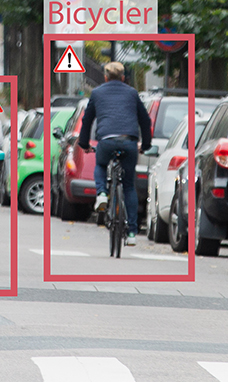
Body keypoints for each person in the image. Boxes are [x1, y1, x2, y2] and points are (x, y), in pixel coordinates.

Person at [77, 62, 152, 246]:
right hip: (129, 141)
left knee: (101, 165)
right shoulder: (132, 93)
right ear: (124, 78)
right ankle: (133, 233)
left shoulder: (97, 93)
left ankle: (102, 193)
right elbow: (145, 120)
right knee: (128, 186)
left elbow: (87, 121)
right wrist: (146, 144)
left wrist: (84, 143)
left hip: (106, 140)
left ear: (105, 77)